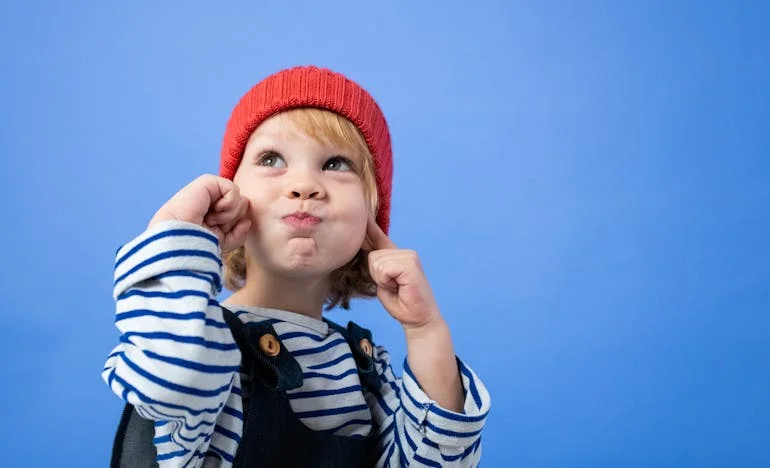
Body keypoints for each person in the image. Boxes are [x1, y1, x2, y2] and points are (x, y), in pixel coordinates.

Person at [102, 65, 491, 467]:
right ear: (229, 195)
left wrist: (426, 331)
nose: (304, 185)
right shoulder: (199, 339)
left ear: (371, 216)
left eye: (336, 164)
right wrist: (175, 232)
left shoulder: (364, 368)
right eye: (271, 159)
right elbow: (170, 377)